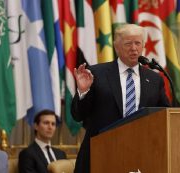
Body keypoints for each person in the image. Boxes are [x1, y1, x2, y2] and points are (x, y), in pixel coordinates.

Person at [71, 23, 170, 173]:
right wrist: (83, 92)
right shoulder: (96, 73)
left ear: (143, 45)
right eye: (128, 43)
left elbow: (165, 116)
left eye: (138, 43)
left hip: (141, 156)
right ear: (116, 46)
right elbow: (78, 115)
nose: (134, 48)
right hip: (101, 155)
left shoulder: (154, 79)